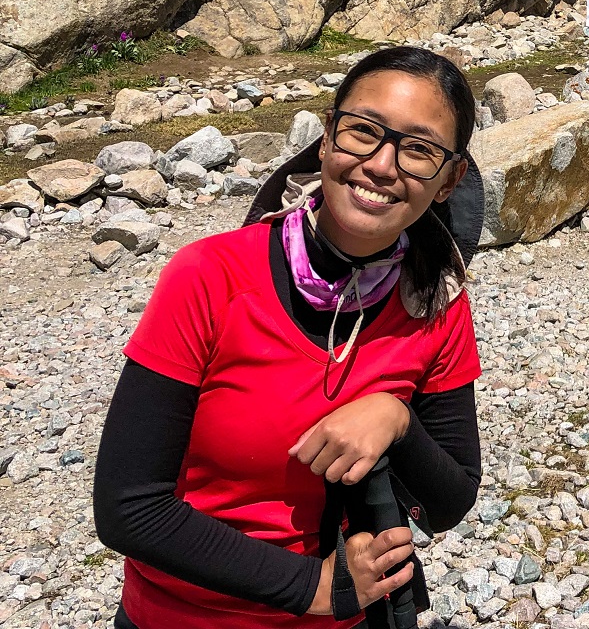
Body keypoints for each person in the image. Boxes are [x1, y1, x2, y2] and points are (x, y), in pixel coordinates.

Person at [93, 46, 487, 627]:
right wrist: (315, 588)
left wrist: (396, 421)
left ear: (450, 179)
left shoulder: (433, 300)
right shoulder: (211, 277)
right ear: (326, 138)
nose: (381, 165)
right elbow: (130, 509)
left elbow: (450, 501)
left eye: (419, 149)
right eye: (362, 131)